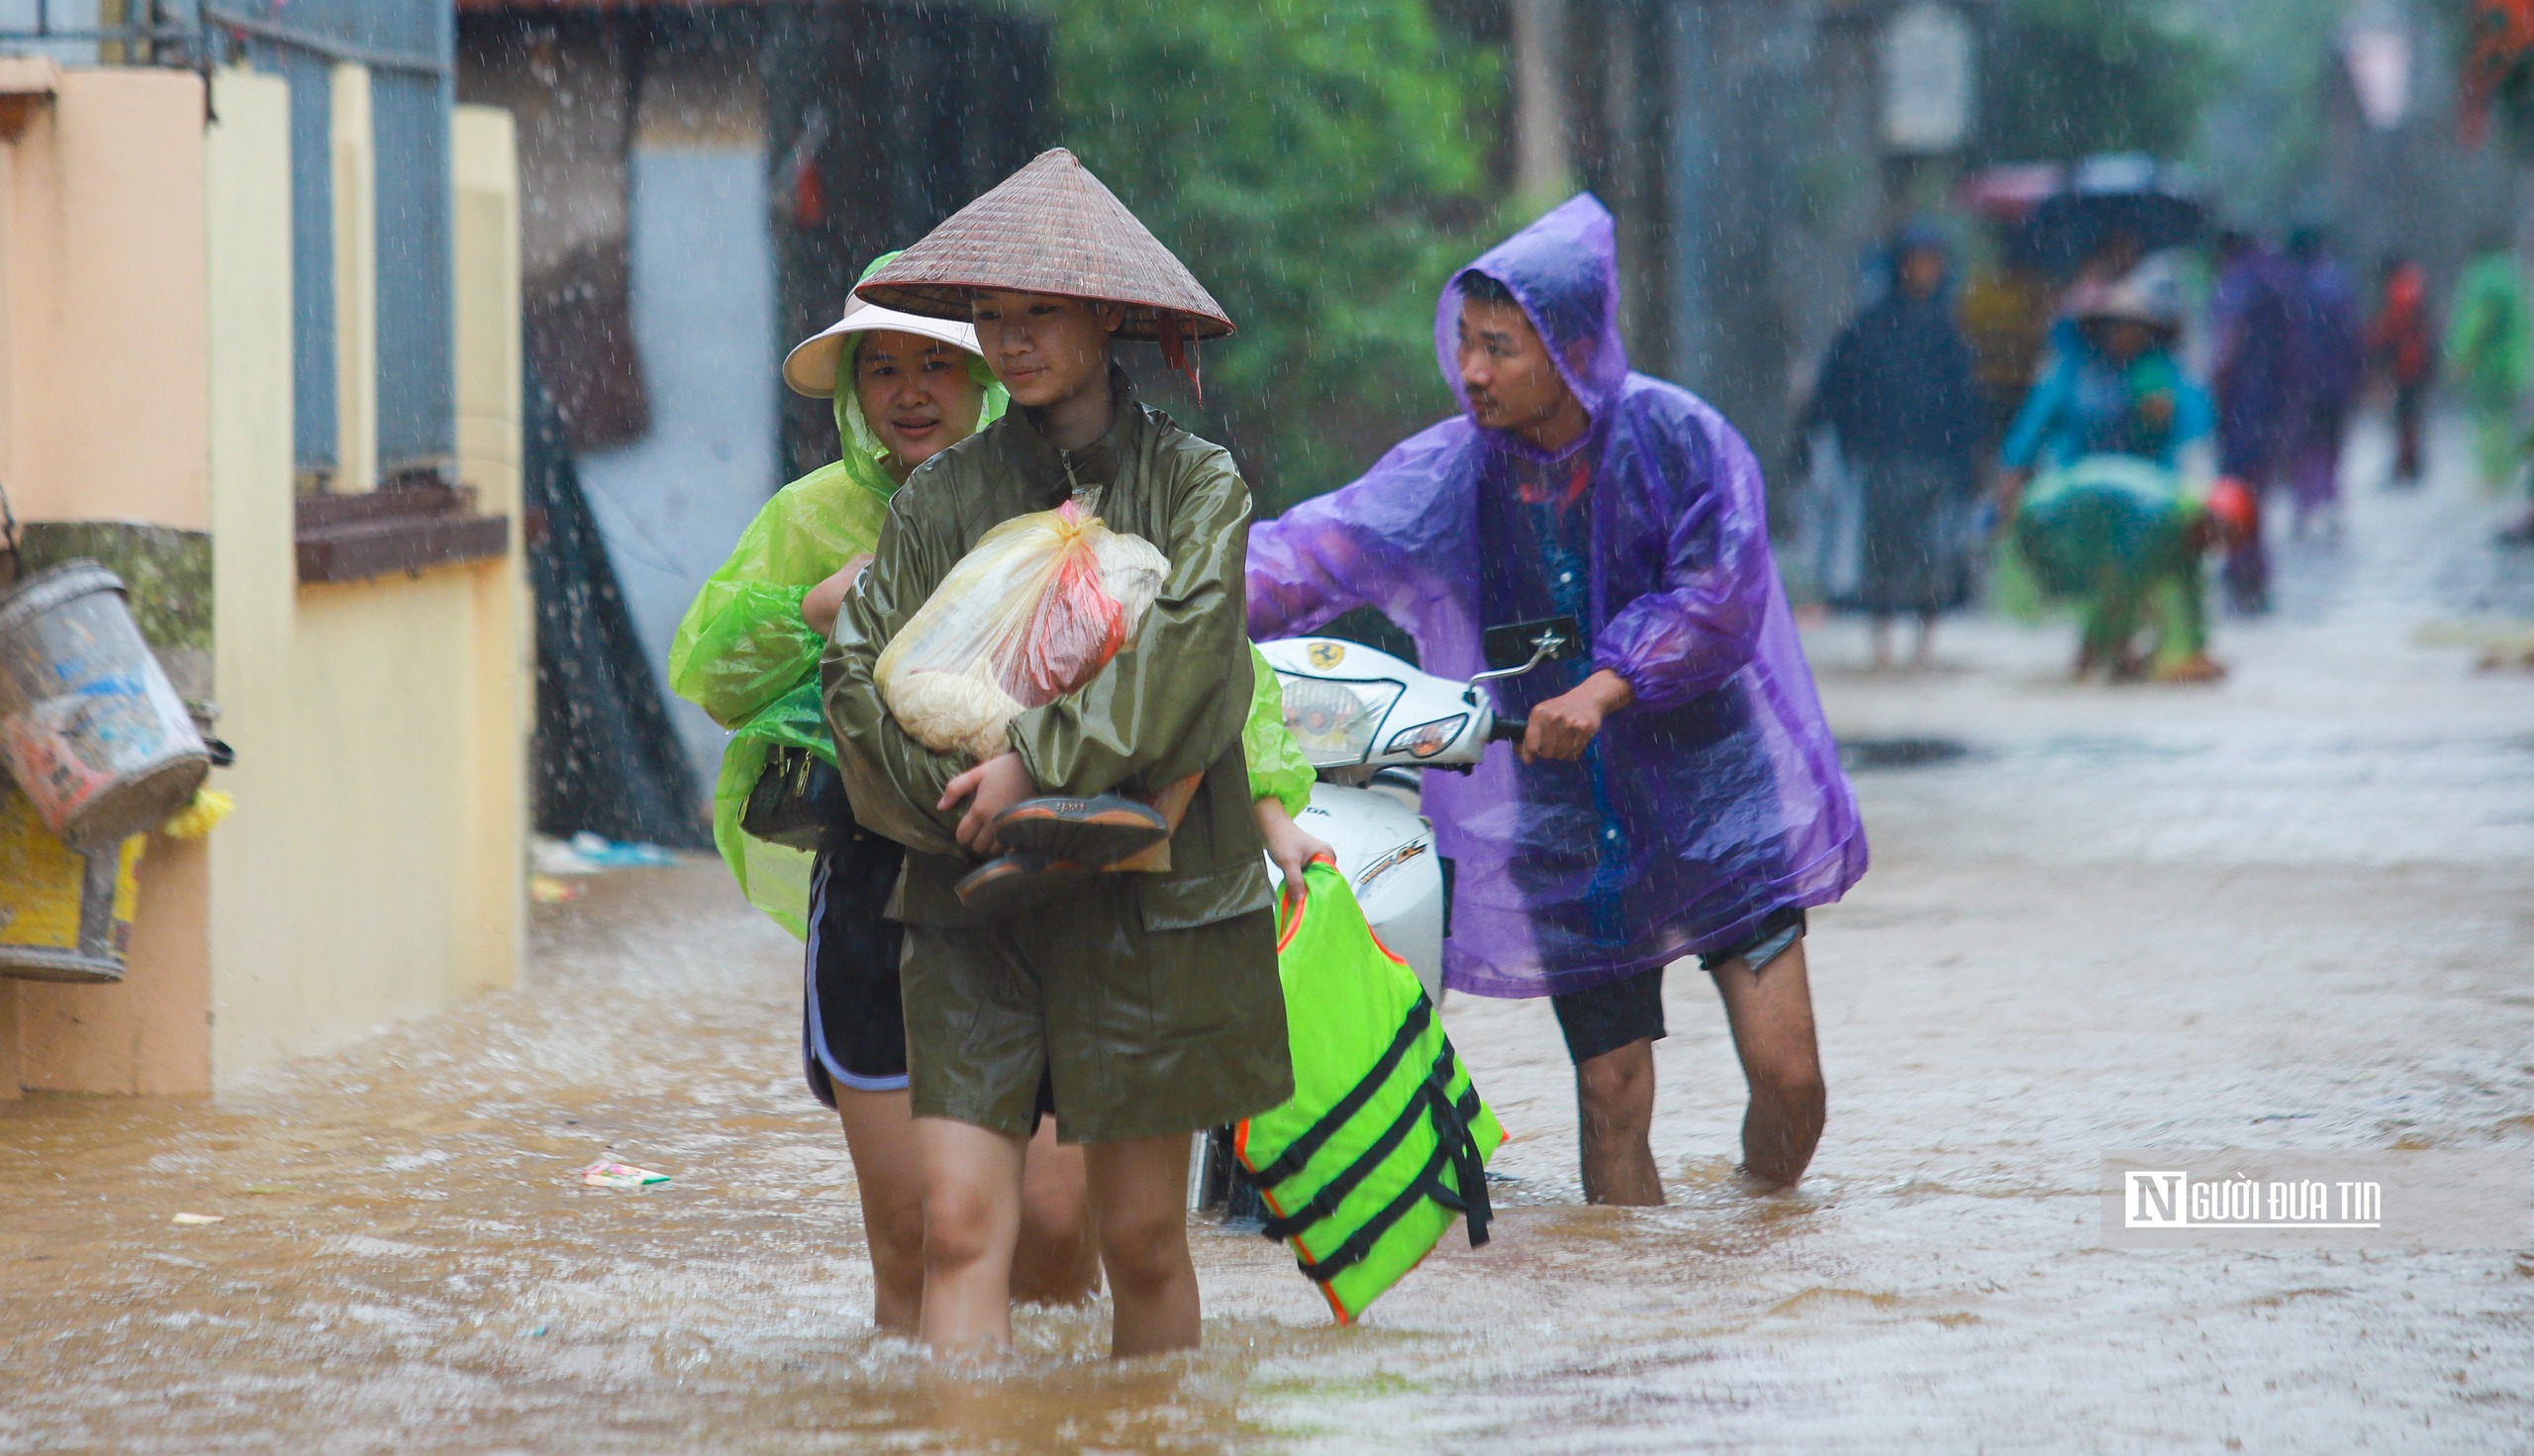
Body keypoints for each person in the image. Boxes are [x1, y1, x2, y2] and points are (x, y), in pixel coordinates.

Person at [1247, 194, 1866, 1204]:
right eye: (1464, 344)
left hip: (1714, 793)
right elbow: (1314, 549)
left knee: (1788, 1077)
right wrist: (1154, 589)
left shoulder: (1680, 441)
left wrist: (1604, 685)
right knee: (1612, 1093)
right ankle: (1633, 1308)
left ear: (1575, 350)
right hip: (1562, 815)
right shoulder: (1451, 473)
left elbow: (1721, 594)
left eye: (1500, 347)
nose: (1473, 372)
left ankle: (1761, 1233)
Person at [827, 148, 1296, 1361]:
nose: (1011, 338)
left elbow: (1193, 662)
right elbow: (856, 669)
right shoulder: (939, 499)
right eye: (993, 314)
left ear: (1109, 320)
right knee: (962, 1225)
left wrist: (1036, 766)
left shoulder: (1198, 487)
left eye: (1039, 314)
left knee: (1141, 1239)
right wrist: (966, 814)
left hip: (1149, 903)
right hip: (968, 902)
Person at [665, 271, 1098, 1332]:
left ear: (988, 374)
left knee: (1054, 1226)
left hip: (1041, 885)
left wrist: (1272, 815)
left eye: (935, 363)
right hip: (873, 886)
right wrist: (814, 607)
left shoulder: (1064, 499)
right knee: (919, 1233)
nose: (908, 392)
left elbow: (1200, 673)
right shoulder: (812, 518)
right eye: (882, 369)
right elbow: (716, 672)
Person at [1803, 222, 1985, 668]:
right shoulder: (1869, 326)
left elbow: (1966, 397)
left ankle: (1925, 643)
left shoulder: (1947, 330)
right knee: (1882, 547)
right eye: (1918, 261)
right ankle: (1882, 641)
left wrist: (1973, 455)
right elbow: (1836, 389)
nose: (1925, 270)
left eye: (1932, 261)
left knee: (1934, 549)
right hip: (1883, 455)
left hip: (1935, 456)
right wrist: (1841, 438)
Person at [2008, 458, 2254, 684]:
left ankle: (2111, 652)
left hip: (2058, 512)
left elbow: (2191, 594)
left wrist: (2196, 651)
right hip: (2044, 517)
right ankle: (2104, 654)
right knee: (2126, 591)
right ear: (2210, 521)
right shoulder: (2160, 523)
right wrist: (2091, 654)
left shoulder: (2187, 528)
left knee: (2134, 593)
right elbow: (2117, 591)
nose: (2218, 545)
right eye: (2223, 535)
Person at [1998, 274, 2209, 483]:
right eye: (2118, 324)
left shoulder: (2163, 371)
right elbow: (2033, 424)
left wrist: (2161, 419)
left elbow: (2195, 428)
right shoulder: (2074, 369)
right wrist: (2014, 470)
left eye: (2135, 326)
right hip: (2074, 485)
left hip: (2147, 489)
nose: (2126, 334)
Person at [2206, 233, 2299, 613]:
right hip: (2275, 403)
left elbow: (2225, 346)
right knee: (2256, 488)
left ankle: (2242, 562)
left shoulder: (2238, 284)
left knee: (2238, 485)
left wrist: (2215, 384)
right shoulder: (2279, 279)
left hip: (2243, 403)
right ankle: (2252, 563)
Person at [2283, 228, 2364, 535]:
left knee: (2301, 443)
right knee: (2331, 441)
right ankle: (2328, 497)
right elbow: (2351, 334)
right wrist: (2356, 373)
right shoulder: (2337, 283)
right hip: (2335, 380)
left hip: (2299, 383)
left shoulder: (2288, 285)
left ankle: (2305, 501)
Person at [2444, 238, 2533, 495]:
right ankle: (2507, 472)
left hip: (2487, 366)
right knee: (2506, 422)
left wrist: (2462, 357)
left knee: (2486, 422)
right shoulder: (2511, 276)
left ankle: (2491, 476)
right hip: (2512, 364)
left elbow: (2476, 322)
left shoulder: (2483, 279)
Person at [2368, 255, 2434, 486]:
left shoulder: (2399, 290)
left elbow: (2392, 327)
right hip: (2417, 362)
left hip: (2407, 363)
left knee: (2405, 416)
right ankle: (2409, 462)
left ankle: (2407, 463)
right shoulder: (2412, 284)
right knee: (2409, 416)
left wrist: (2375, 344)